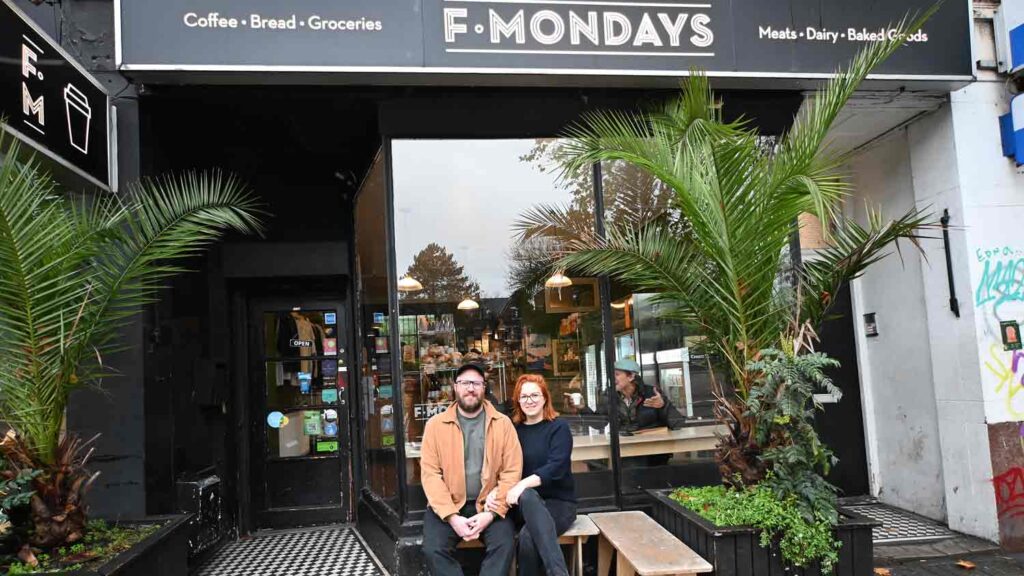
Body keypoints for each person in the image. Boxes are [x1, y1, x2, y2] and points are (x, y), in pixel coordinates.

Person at [420, 363, 523, 576]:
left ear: (484, 388)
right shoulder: (435, 425)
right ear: (455, 387)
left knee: (504, 546)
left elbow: (511, 472)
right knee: (433, 550)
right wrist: (451, 517)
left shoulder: (502, 424)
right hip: (449, 506)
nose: (470, 388)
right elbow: (430, 476)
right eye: (465, 383)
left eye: (476, 383)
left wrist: (491, 514)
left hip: (489, 504)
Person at [486, 374, 575, 576]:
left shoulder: (558, 427)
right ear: (518, 401)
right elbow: (501, 466)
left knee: (528, 537)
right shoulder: (513, 430)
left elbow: (557, 467)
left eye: (535, 395)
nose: (530, 401)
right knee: (526, 496)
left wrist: (521, 484)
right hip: (521, 506)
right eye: (524, 396)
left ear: (545, 398)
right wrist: (496, 490)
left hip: (559, 503)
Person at [608, 358, 683, 433]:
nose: (612, 378)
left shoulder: (651, 393)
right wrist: (602, 406)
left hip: (652, 442)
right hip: (625, 442)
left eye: (617, 374)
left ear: (631, 377)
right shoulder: (611, 396)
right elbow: (598, 425)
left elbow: (677, 423)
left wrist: (663, 406)